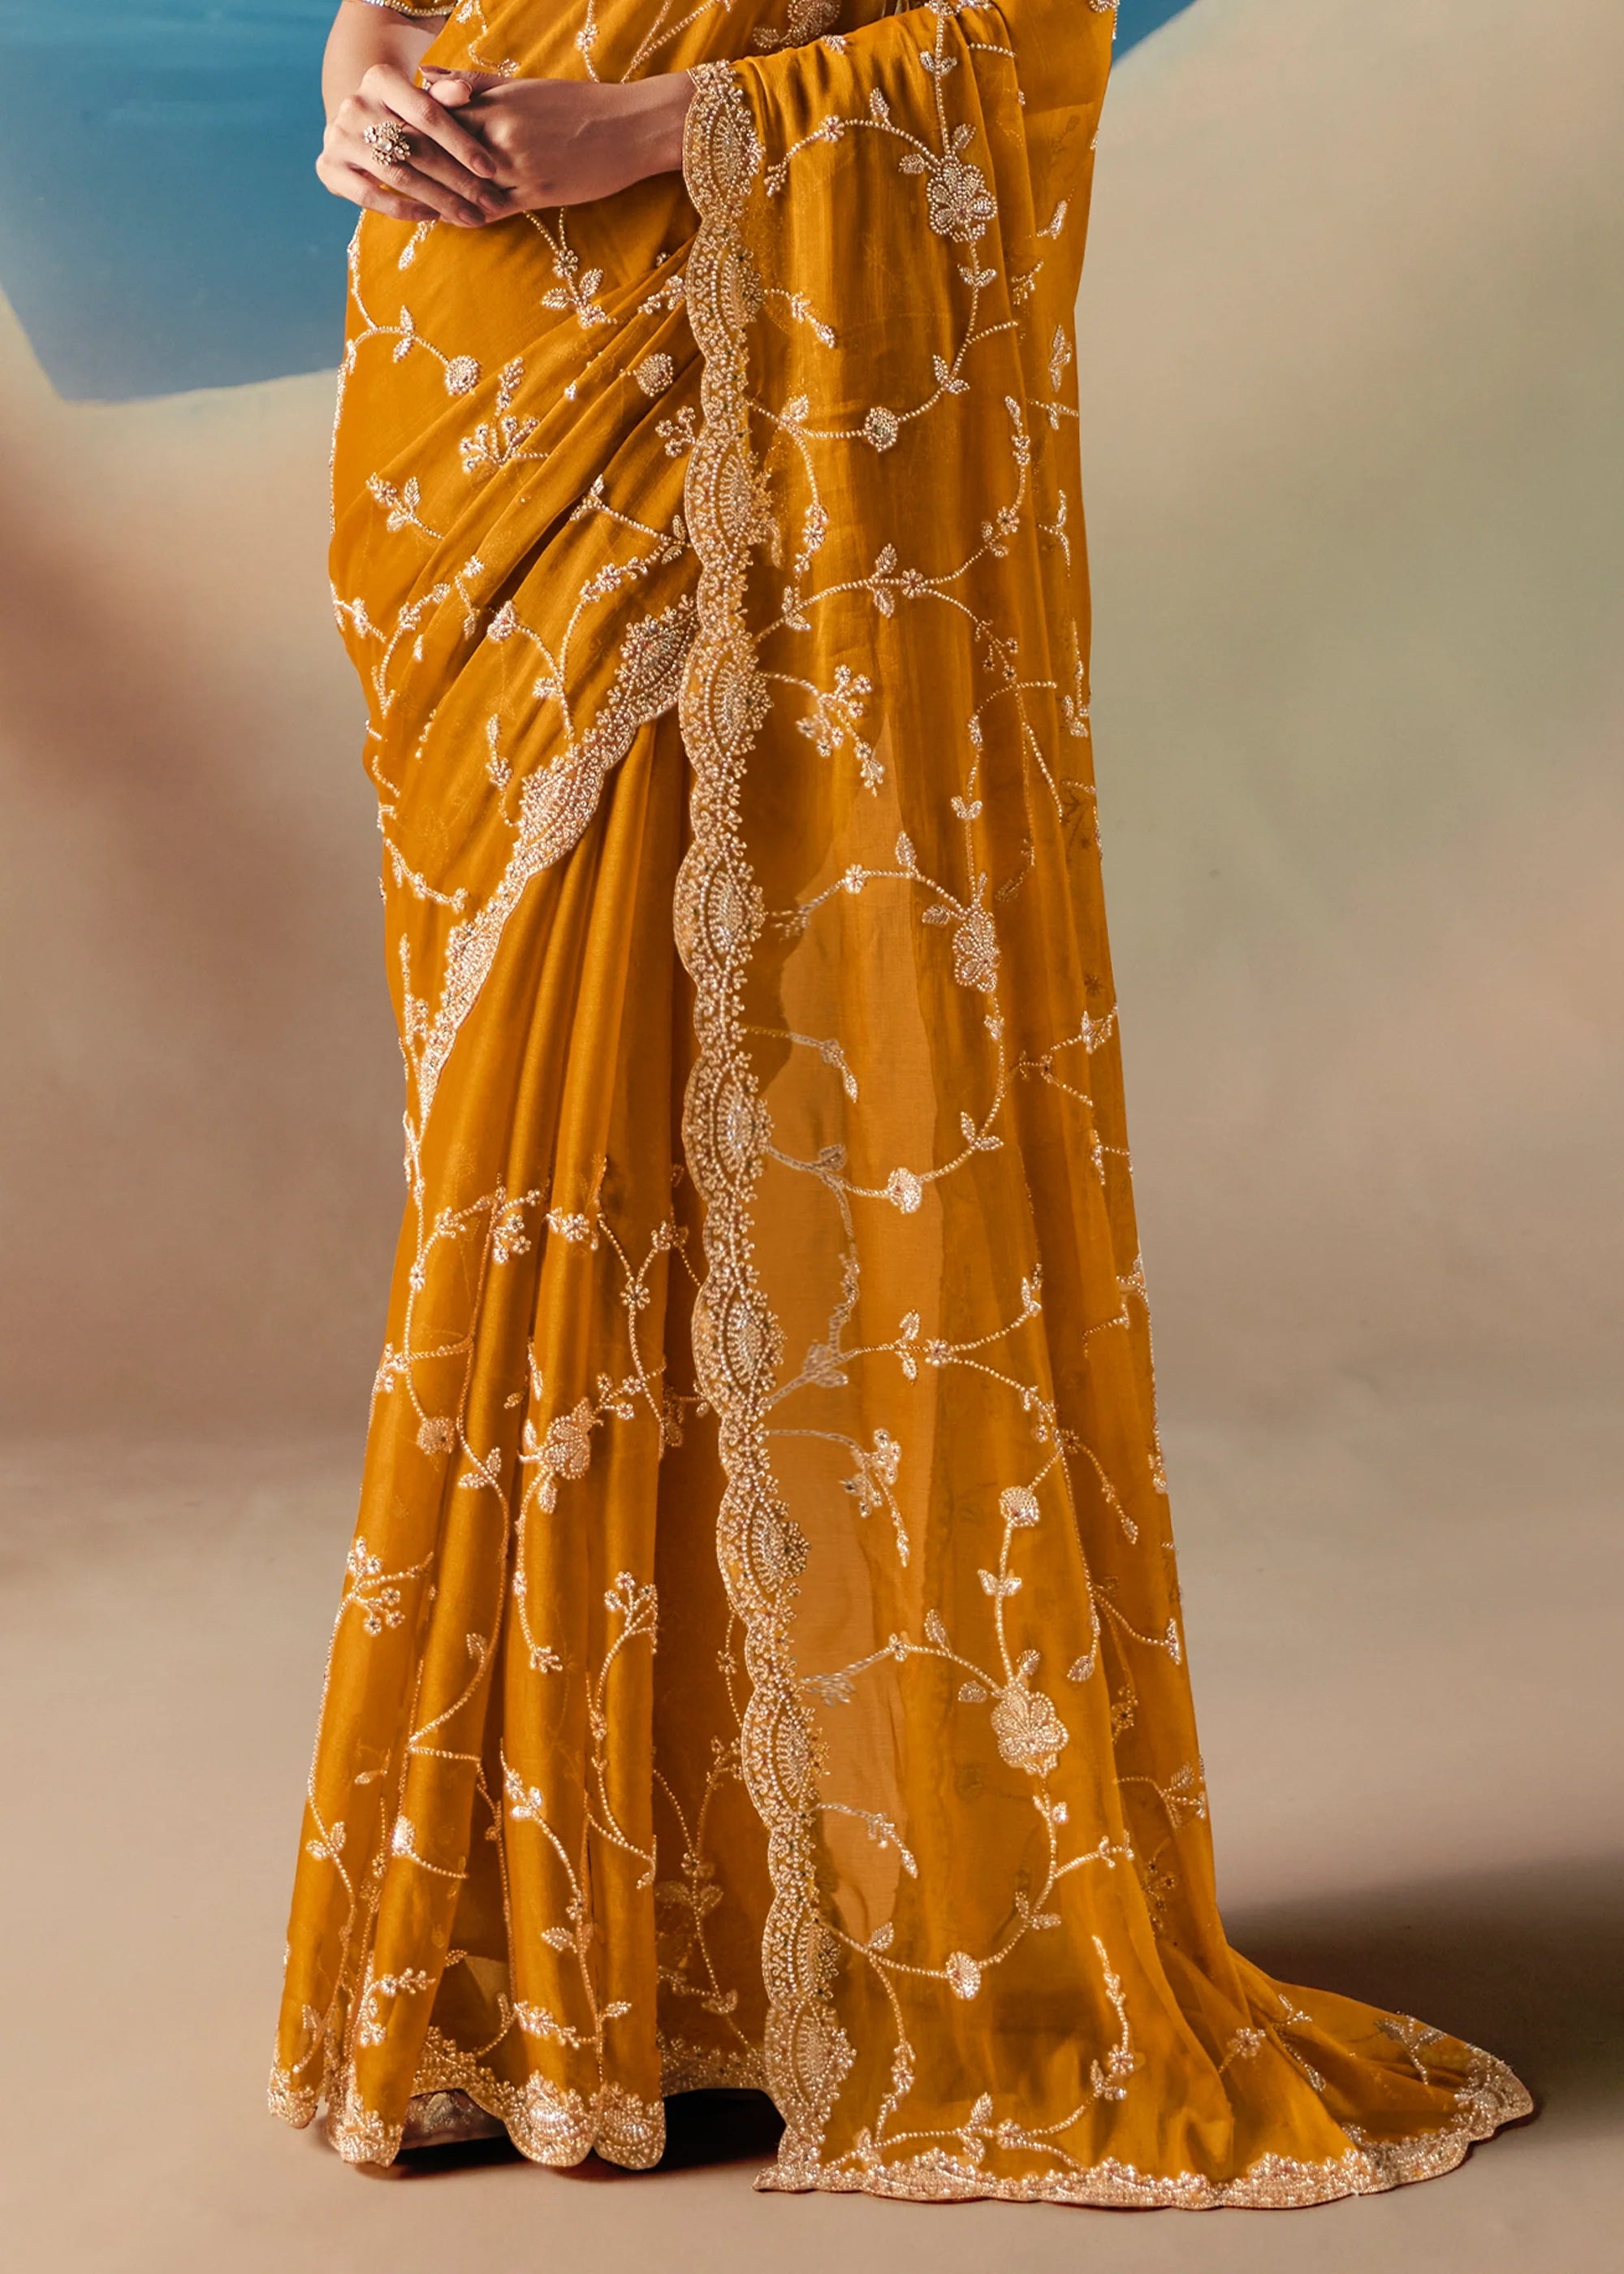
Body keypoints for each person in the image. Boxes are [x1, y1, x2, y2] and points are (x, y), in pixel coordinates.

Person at [271, 0, 1531, 2202]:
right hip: (477, 375)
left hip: (726, 336)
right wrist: (361, 89)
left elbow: (1022, 40)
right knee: (529, 1137)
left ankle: (784, 1932)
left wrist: (654, 127)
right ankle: (542, 1952)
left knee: (721, 1092)